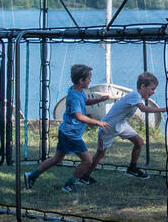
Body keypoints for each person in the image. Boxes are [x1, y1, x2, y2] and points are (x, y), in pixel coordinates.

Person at [24, 64, 110, 193]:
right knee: (87, 160)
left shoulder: (77, 91)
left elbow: (85, 102)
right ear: (81, 81)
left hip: (66, 131)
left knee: (57, 159)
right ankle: (69, 185)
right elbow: (79, 116)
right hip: (71, 135)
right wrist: (98, 122)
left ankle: (31, 176)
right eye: (89, 78)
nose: (90, 80)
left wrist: (99, 100)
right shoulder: (75, 96)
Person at [81, 71, 168, 184]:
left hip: (121, 125)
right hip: (108, 127)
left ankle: (132, 168)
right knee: (100, 154)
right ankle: (84, 177)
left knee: (139, 142)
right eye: (152, 89)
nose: (153, 92)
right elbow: (143, 109)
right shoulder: (135, 95)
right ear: (142, 86)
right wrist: (162, 109)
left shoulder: (137, 96)